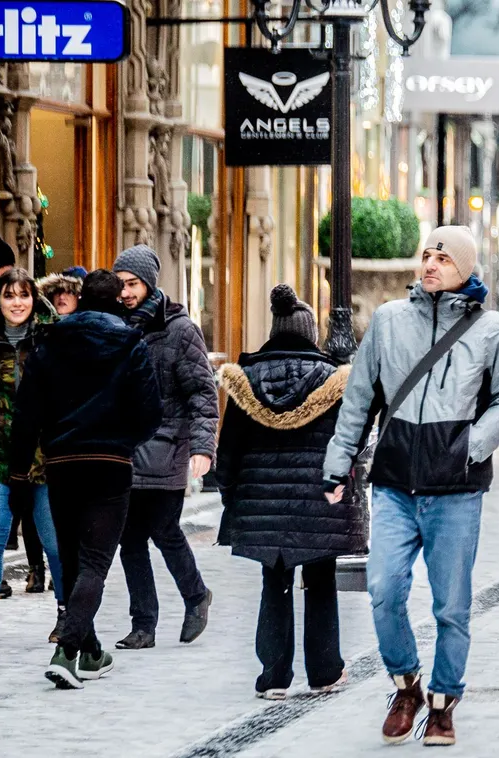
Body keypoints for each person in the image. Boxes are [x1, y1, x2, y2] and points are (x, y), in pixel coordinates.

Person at [323, 226, 499, 746]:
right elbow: (360, 398)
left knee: (450, 606)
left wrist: (471, 447)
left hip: (455, 490)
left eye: (444, 258)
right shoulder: (389, 321)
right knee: (383, 589)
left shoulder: (491, 329)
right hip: (393, 484)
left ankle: (442, 704)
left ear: (466, 269)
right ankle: (406, 683)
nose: (431, 264)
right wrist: (337, 462)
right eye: (427, 255)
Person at [11, 270, 161, 689]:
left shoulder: (49, 342)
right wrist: (124, 442)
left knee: (76, 560)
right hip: (109, 463)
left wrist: (21, 470)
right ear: (115, 301)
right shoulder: (130, 341)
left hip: (60, 462)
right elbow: (151, 411)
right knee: (95, 561)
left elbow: (26, 412)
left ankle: (91, 653)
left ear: (80, 300)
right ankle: (68, 646)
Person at [216, 285, 364, 699]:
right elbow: (349, 441)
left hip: (263, 505)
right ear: (311, 335)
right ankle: (325, 671)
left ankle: (274, 677)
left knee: (274, 582)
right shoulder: (332, 381)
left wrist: (233, 498)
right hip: (318, 503)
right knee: (320, 582)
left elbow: (228, 453)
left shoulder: (247, 380)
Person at [112, 245, 218, 650]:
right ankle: (144, 625)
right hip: (127, 450)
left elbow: (202, 395)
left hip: (170, 446)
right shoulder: (116, 325)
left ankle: (196, 597)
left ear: (150, 284)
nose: (125, 292)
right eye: (120, 284)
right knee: (130, 538)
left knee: (164, 529)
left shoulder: (179, 329)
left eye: (132, 284)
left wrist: (203, 448)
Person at [0, 269, 65, 641]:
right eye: (9, 296)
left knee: (54, 540)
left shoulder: (51, 339)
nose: (17, 303)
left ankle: (68, 614)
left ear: (34, 300)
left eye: (24, 295)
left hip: (45, 460)